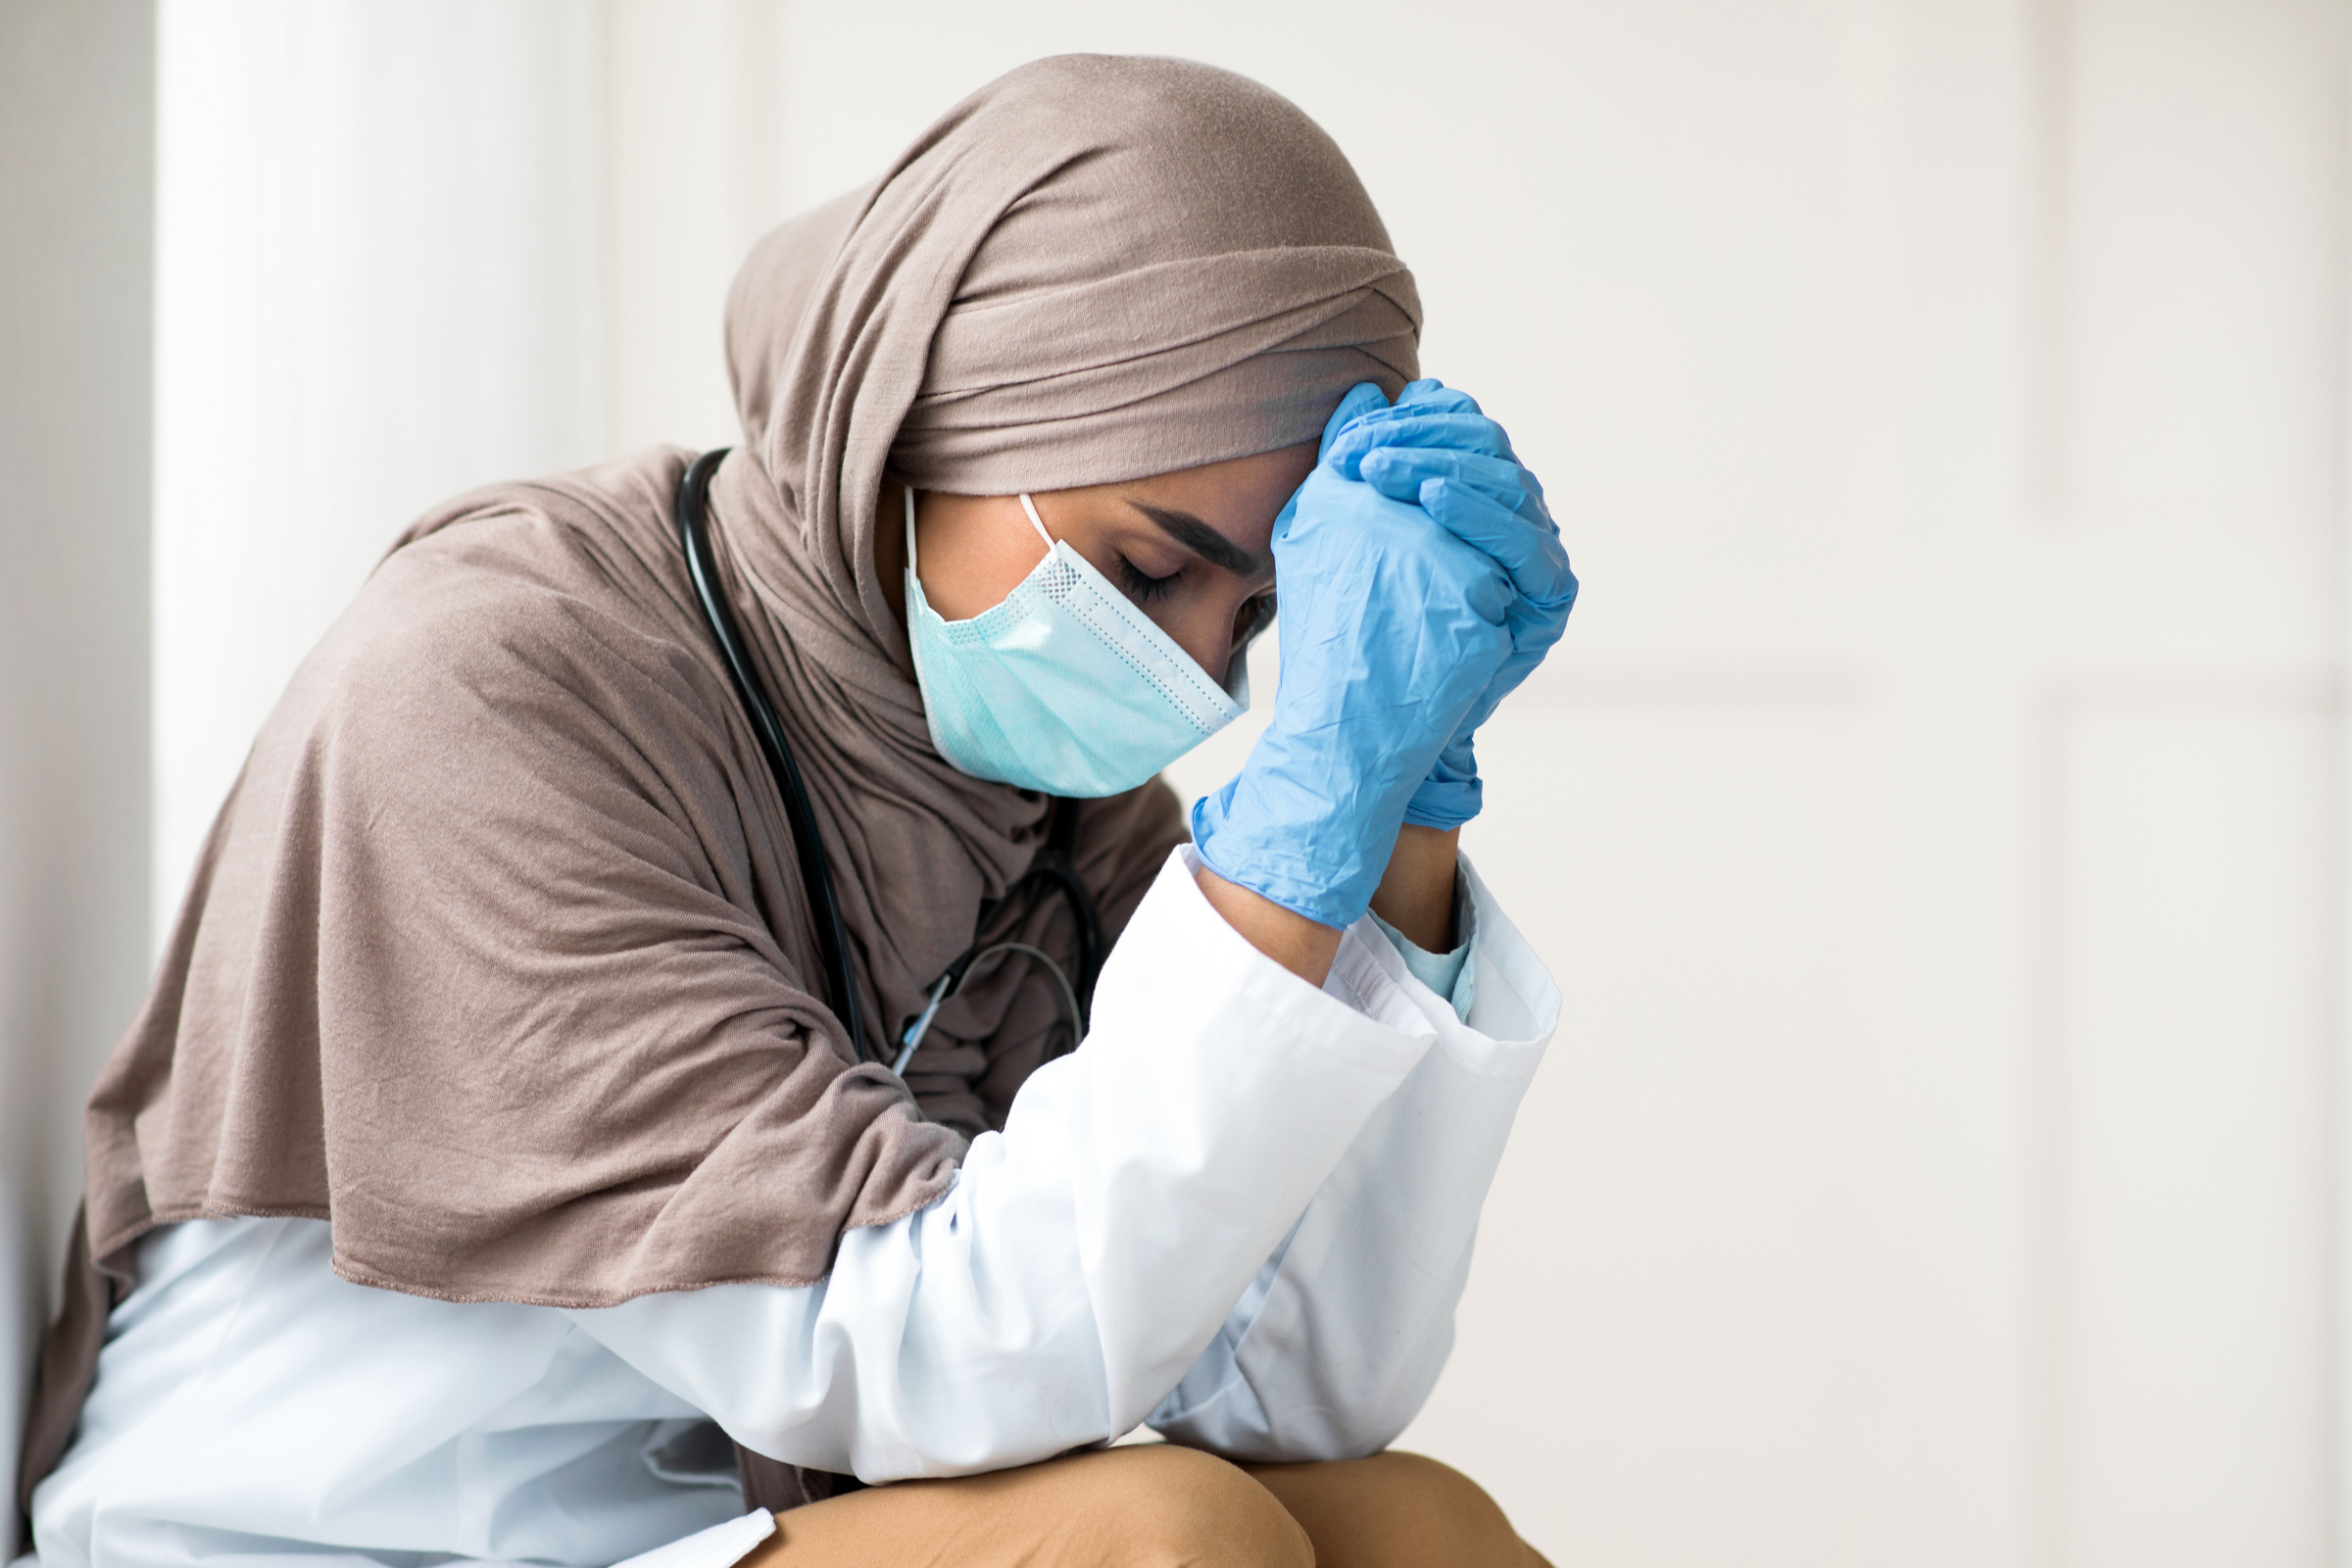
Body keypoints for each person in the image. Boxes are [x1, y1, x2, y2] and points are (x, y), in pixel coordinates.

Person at [18, 55, 1573, 1568]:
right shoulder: (498, 680)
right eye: (1151, 570)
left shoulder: (1059, 821)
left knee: (1416, 1530)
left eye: (1258, 619)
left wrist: (1390, 824)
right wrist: (1297, 841)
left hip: (711, 1529)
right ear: (922, 421)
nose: (1197, 680)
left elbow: (1284, 1391)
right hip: (335, 1536)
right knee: (1154, 1543)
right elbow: (941, 1351)